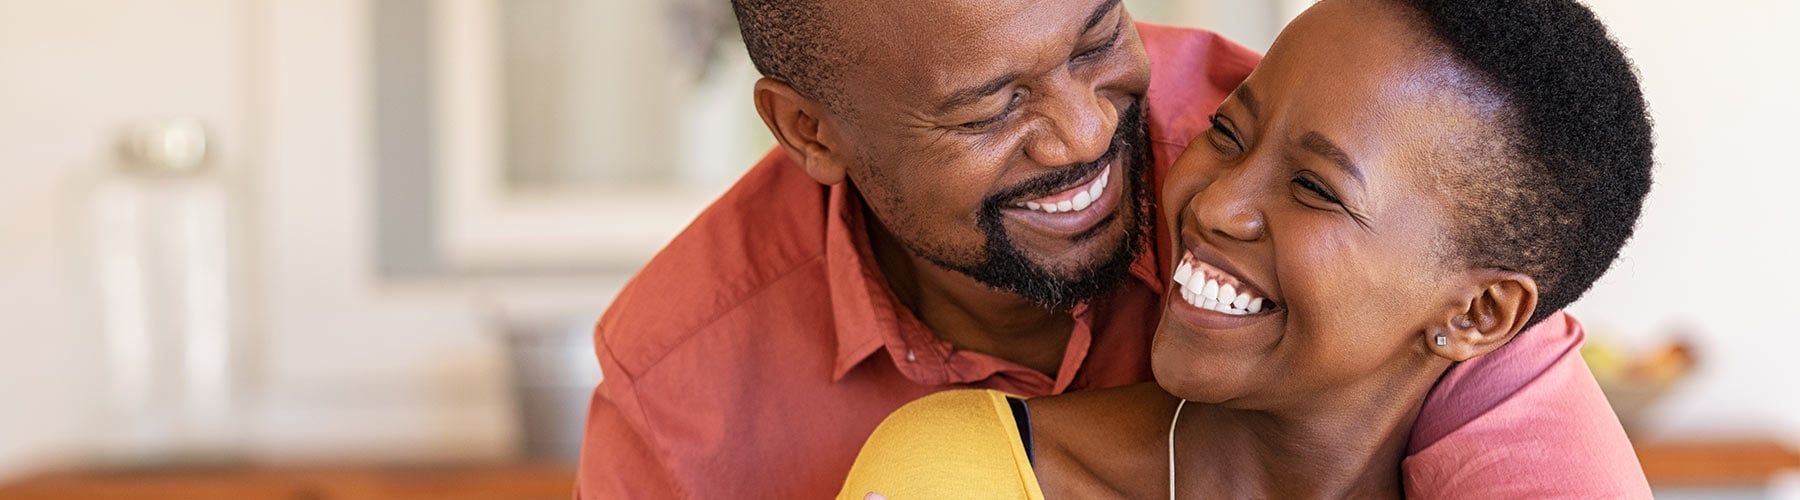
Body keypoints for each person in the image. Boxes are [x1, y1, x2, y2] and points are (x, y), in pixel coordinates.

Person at [577, 0, 1647, 497]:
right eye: (989, 107)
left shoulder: (1268, 124)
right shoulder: (682, 395)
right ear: (812, 131)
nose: (1090, 134)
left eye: (1097, 42)